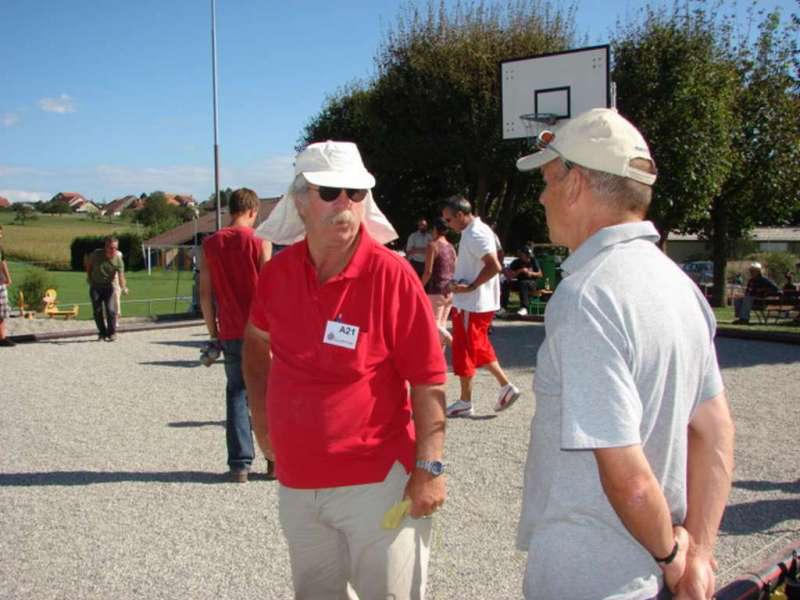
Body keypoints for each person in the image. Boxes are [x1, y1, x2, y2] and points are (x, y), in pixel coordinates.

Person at [514, 107, 735, 600]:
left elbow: (628, 475)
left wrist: (675, 559)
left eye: (549, 179)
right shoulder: (680, 286)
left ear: (575, 184)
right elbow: (715, 430)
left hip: (591, 573)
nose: (543, 195)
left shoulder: (588, 296)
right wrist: (697, 552)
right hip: (648, 566)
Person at [243, 141, 447, 599]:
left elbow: (429, 379)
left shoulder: (393, 275)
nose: (346, 204)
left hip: (378, 483)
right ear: (300, 200)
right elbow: (255, 343)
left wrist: (430, 467)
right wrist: (260, 422)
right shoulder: (276, 274)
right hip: (297, 483)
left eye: (356, 193)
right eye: (331, 191)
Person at [199, 187, 272, 483]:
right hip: (262, 330)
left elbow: (205, 296)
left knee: (236, 392)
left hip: (230, 329)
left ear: (231, 210)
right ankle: (274, 460)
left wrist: (213, 333)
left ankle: (240, 465)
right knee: (267, 394)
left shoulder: (210, 244)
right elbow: (270, 290)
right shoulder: (260, 240)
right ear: (253, 211)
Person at [441, 196, 520, 417]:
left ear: (460, 215)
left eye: (448, 220)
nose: (447, 224)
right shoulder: (478, 230)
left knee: (470, 348)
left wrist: (471, 286)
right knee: (471, 348)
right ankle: (471, 399)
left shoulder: (475, 233)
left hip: (472, 304)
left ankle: (498, 388)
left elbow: (494, 266)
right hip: (475, 302)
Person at [421, 216, 456, 345]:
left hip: (436, 290)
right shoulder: (451, 247)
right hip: (450, 291)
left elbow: (428, 272)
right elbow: (455, 268)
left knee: (433, 326)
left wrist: (419, 286)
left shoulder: (433, 245)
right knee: (442, 326)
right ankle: (440, 361)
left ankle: (457, 344)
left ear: (435, 229)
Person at [85, 236, 128, 341]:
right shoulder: (96, 254)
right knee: (97, 311)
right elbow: (88, 265)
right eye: (111, 248)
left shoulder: (118, 260)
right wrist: (89, 277)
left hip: (109, 287)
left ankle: (112, 333)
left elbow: (121, 276)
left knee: (111, 310)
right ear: (106, 247)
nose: (113, 250)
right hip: (95, 287)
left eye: (115, 248)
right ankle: (102, 332)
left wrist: (124, 287)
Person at [499, 246, 543, 316]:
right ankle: (503, 308)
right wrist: (520, 270)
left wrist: (530, 273)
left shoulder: (533, 261)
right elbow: (510, 275)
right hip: (520, 282)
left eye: (528, 255)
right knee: (506, 283)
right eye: (525, 255)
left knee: (523, 283)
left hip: (532, 283)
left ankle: (524, 308)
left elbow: (540, 274)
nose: (527, 257)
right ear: (522, 254)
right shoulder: (516, 262)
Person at [0, 225, 13, 347]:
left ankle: (2, 337)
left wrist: (8, 277)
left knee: (2, 311)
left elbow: (3, 263)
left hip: (0, 282)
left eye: (0, 233)